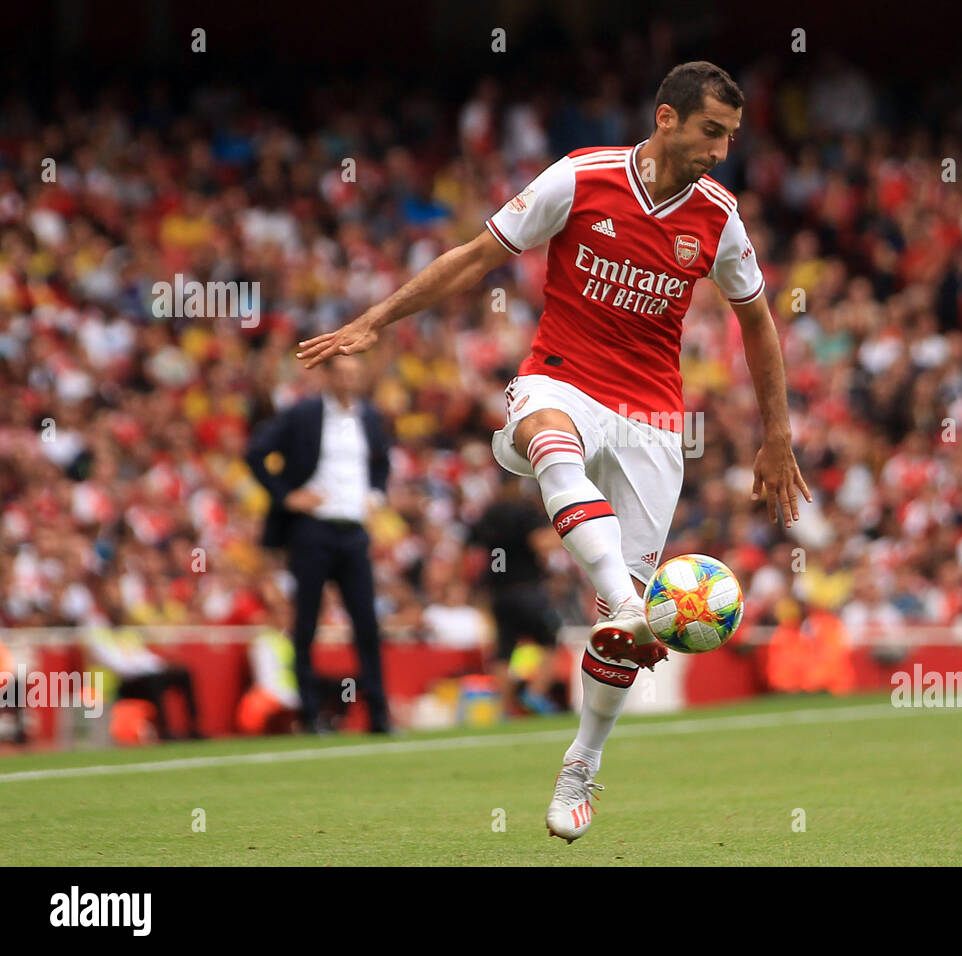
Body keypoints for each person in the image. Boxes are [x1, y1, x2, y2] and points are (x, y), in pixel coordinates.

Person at [296, 61, 811, 841]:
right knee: (546, 440)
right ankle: (634, 605)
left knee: (614, 632)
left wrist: (778, 435)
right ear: (666, 118)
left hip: (652, 419)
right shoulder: (581, 178)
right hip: (561, 377)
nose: (721, 150)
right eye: (712, 131)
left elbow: (758, 322)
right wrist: (378, 320)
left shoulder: (718, 217)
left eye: (732, 137)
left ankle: (583, 764)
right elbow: (475, 256)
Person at [244, 354, 394, 735]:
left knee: (366, 623)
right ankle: (309, 713)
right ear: (326, 376)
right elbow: (256, 451)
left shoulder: (369, 417)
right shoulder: (304, 414)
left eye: (354, 374)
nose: (348, 381)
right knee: (306, 621)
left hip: (354, 530)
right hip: (312, 529)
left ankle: (378, 713)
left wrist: (375, 494)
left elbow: (381, 463)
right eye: (341, 373)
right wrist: (286, 495)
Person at [467, 478, 565, 715]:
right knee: (550, 642)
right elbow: (540, 544)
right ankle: (534, 693)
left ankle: (502, 707)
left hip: (499, 593)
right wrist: (564, 532)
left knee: (504, 651)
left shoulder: (489, 514)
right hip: (527, 589)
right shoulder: (524, 512)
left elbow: (472, 551)